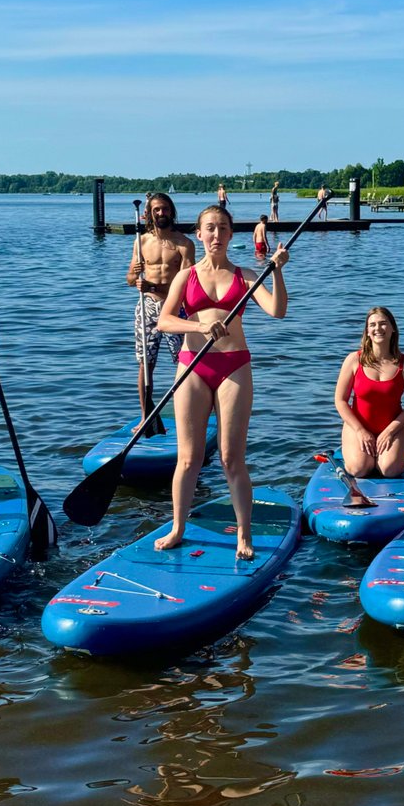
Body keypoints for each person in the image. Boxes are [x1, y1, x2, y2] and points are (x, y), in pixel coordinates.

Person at [154, 198, 312, 559]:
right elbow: (164, 320)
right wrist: (198, 325)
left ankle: (244, 534)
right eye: (210, 228)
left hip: (234, 366)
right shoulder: (186, 275)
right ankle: (178, 528)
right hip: (192, 365)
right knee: (188, 459)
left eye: (223, 228)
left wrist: (278, 270)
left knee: (231, 459)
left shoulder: (245, 276)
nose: (217, 234)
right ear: (199, 234)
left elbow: (278, 311)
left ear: (230, 235)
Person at [126, 191, 194, 424]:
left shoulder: (184, 244)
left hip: (175, 307)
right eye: (156, 210)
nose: (161, 213)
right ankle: (146, 417)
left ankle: (189, 414)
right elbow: (128, 277)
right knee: (146, 363)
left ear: (171, 211)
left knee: (185, 363)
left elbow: (187, 285)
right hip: (147, 307)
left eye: (164, 209)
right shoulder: (141, 241)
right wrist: (135, 277)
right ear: (149, 213)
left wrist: (154, 286)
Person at [334, 307, 404, 481]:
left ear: (392, 328)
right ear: (367, 331)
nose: (378, 328)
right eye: (372, 325)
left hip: (393, 428)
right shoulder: (353, 360)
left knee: (390, 470)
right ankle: (361, 456)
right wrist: (360, 431)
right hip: (357, 426)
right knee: (359, 469)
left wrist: (389, 432)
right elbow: (340, 400)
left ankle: (385, 458)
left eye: (383, 324)